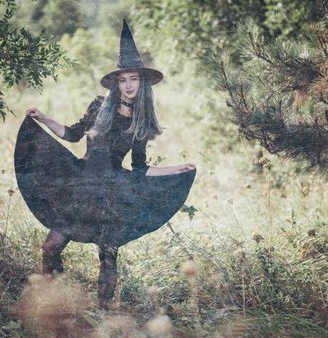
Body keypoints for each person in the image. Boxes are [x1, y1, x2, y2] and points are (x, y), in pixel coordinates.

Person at [15, 20, 196, 308]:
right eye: (123, 80)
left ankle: (103, 313)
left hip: (112, 190)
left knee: (108, 254)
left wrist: (178, 169)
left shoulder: (141, 120)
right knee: (51, 245)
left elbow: (140, 168)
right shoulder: (100, 106)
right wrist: (43, 118)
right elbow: (73, 134)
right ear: (116, 83)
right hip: (80, 184)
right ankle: (52, 300)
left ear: (142, 82)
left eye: (133, 79)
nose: (128, 85)